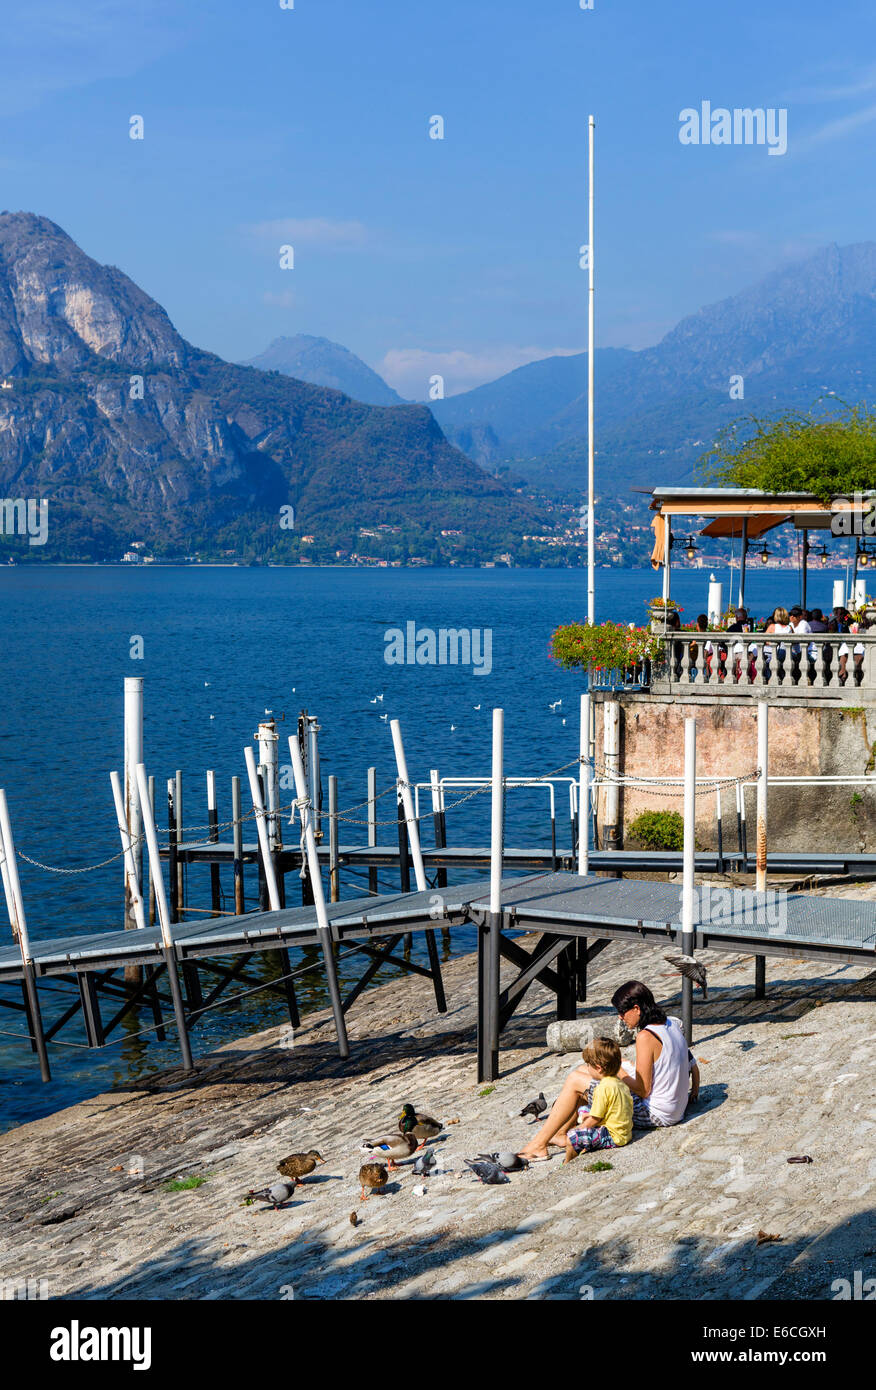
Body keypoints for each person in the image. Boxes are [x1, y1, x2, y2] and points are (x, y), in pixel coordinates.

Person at [518, 981, 700, 1160]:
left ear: (636, 1009)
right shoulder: (671, 1023)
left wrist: (618, 1068)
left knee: (575, 1079)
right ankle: (561, 1132)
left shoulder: (646, 1036)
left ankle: (539, 1145)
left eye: (622, 1012)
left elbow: (644, 1090)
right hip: (675, 1107)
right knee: (586, 1069)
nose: (620, 1017)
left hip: (656, 1114)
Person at [562, 1036, 633, 1160]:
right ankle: (588, 1139)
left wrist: (579, 1129)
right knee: (584, 1109)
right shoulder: (619, 1083)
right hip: (625, 1132)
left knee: (572, 1137)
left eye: (588, 1065)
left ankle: (568, 1161)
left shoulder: (602, 1088)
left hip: (612, 1136)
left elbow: (595, 1119)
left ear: (598, 1068)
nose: (587, 1068)